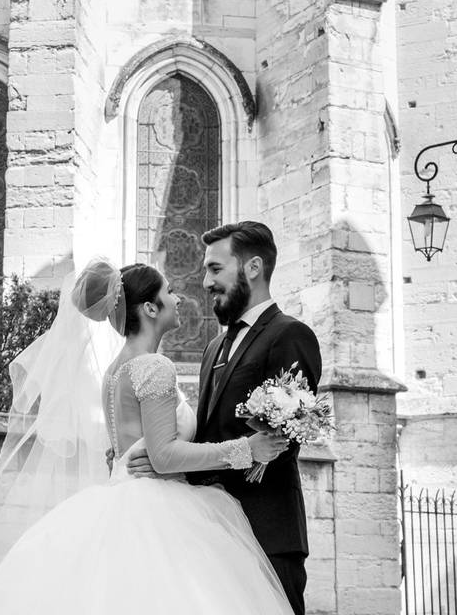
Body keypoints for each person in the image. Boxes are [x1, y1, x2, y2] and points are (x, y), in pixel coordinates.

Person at [0, 260, 295, 615]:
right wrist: (246, 449)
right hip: (156, 507)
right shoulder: (153, 366)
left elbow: (128, 448)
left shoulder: (115, 370)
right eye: (169, 292)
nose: (178, 300)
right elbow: (164, 457)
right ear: (150, 308)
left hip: (121, 492)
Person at [128, 221, 322, 615]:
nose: (204, 282)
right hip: (211, 533)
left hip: (267, 534)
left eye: (215, 269)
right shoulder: (214, 346)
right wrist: (163, 459)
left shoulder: (291, 335)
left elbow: (282, 444)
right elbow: (207, 433)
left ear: (252, 268)